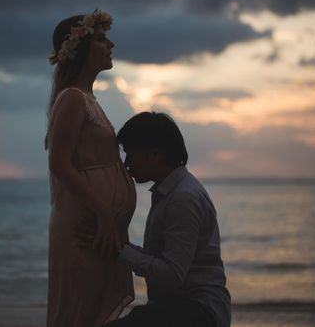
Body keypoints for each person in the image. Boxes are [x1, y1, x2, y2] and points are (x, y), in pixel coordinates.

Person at [77, 112, 231, 327]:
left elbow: (171, 275)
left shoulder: (183, 198)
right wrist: (116, 244)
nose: (126, 163)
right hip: (180, 308)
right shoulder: (171, 192)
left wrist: (119, 250)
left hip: (199, 311)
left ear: (155, 154)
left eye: (131, 154)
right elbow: (161, 261)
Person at [45, 10, 136, 327]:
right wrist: (103, 211)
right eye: (100, 39)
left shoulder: (88, 98)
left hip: (98, 224)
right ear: (80, 49)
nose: (110, 44)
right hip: (86, 223)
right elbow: (58, 162)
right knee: (78, 312)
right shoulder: (72, 98)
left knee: (90, 311)